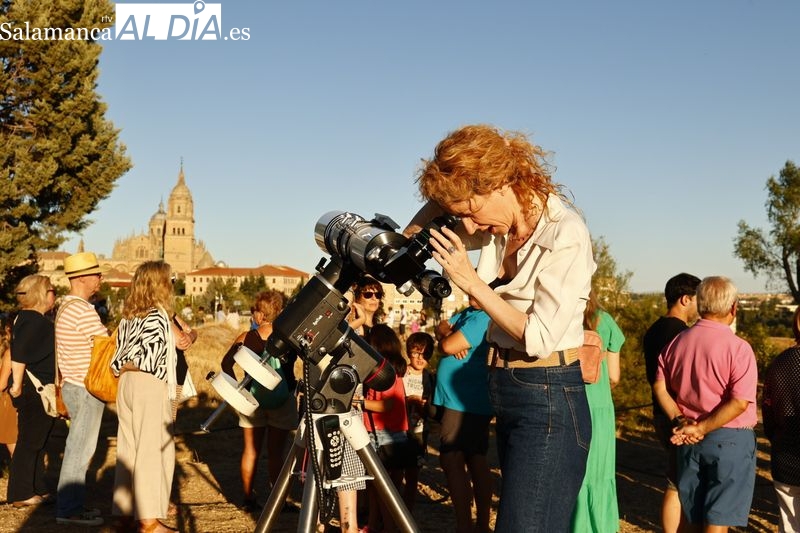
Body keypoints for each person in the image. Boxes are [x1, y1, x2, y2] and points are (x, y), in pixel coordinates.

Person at [404, 124, 594, 530]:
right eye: (460, 217)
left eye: (470, 212)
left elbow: (539, 337)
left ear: (500, 183)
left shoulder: (566, 234)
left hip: (549, 391)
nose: (468, 228)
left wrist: (470, 282)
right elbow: (413, 235)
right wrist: (441, 200)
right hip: (505, 388)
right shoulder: (497, 227)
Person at [654, 276, 757, 533]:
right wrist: (702, 427)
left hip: (688, 441)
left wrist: (680, 420)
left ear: (700, 304)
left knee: (692, 515)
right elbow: (739, 402)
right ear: (733, 308)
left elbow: (659, 387)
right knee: (718, 518)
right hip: (729, 439)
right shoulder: (739, 349)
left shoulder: (675, 344)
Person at [109, 261, 195, 533]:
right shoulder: (160, 316)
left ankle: (124, 513)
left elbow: (120, 357)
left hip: (126, 385)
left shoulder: (128, 317)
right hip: (150, 384)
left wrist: (125, 365)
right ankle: (148, 521)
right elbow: (152, 356)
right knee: (152, 450)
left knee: (128, 449)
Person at [220, 290, 298, 513]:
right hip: (282, 399)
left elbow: (226, 364)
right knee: (276, 454)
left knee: (250, 451)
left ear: (261, 315)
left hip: (252, 400)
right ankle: (279, 501)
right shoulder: (288, 339)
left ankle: (247, 498)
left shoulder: (245, 338)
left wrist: (238, 390)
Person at [54, 252, 110, 526]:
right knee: (80, 449)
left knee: (77, 446)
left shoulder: (66, 307)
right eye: (97, 274)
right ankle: (69, 510)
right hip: (85, 388)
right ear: (84, 278)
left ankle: (72, 505)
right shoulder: (82, 310)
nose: (100, 279)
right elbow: (106, 345)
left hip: (73, 385)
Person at [642, 272, 701, 533]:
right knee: (678, 483)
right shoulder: (680, 334)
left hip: (660, 412)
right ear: (686, 299)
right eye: (698, 298)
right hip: (678, 415)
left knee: (677, 478)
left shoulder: (655, 329)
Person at [434, 304, 494, 533]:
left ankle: (466, 526)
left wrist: (447, 338)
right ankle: (478, 525)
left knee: (453, 459)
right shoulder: (470, 312)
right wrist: (447, 332)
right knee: (474, 457)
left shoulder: (482, 317)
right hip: (462, 400)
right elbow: (443, 326)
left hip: (464, 400)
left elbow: (447, 346)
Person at [570, 289, 625, 532]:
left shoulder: (560, 318)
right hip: (599, 407)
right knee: (599, 473)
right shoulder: (606, 321)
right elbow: (614, 376)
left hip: (566, 404)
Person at [7, 275, 58, 508]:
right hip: (34, 390)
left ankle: (36, 487)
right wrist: (16, 386)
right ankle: (21, 493)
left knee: (38, 441)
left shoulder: (27, 319)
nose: (54, 295)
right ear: (42, 293)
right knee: (30, 442)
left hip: (33, 388)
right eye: (52, 290)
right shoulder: (34, 321)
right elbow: (19, 354)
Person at [359, 324, 413, 533]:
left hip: (384, 436)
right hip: (384, 434)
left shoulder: (386, 374)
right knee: (376, 488)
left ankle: (387, 527)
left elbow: (386, 405)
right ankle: (373, 525)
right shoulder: (389, 371)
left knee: (383, 490)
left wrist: (360, 403)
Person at [762, 306, 800, 533]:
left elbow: (768, 412)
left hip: (784, 457)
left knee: (789, 526)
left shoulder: (778, 364)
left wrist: (777, 439)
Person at [402, 331, 435, 511]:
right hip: (400, 429)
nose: (420, 358)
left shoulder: (430, 378)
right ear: (409, 352)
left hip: (419, 432)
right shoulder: (402, 373)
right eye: (416, 353)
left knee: (413, 473)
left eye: (425, 354)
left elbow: (432, 408)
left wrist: (425, 406)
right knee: (396, 471)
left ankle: (408, 510)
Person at [0, 315, 18, 462]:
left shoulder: (11, 352)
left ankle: (18, 483)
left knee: (16, 451)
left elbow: (2, 384)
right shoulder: (35, 349)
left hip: (12, 404)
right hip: (32, 402)